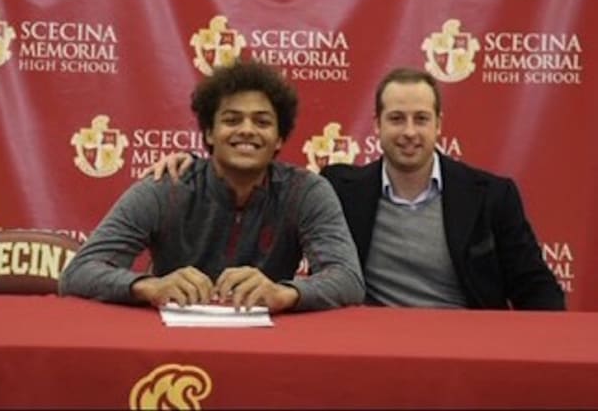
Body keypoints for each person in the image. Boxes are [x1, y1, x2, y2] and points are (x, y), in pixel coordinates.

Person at [150, 67, 565, 310]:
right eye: (396, 118)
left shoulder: (492, 195)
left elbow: (537, 289)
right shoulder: (339, 187)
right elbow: (256, 165)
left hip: (465, 346)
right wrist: (198, 162)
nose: (408, 132)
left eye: (421, 119)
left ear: (440, 125)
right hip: (370, 344)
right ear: (377, 125)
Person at [59, 60, 365, 313]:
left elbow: (348, 280)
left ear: (279, 139)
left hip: (270, 345)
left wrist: (285, 293)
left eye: (262, 122)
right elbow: (78, 273)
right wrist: (150, 286)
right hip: (172, 345)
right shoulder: (167, 187)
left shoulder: (307, 191)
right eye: (232, 120)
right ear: (208, 133)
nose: (247, 130)